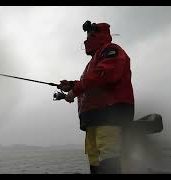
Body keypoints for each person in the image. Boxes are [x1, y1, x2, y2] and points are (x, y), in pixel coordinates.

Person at [58, 20, 135, 174]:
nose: (87, 39)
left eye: (91, 35)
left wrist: (74, 91)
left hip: (110, 114)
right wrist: (72, 85)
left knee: (108, 152)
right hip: (93, 117)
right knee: (93, 154)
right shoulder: (92, 62)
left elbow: (104, 75)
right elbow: (90, 83)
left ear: (99, 36)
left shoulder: (111, 50)